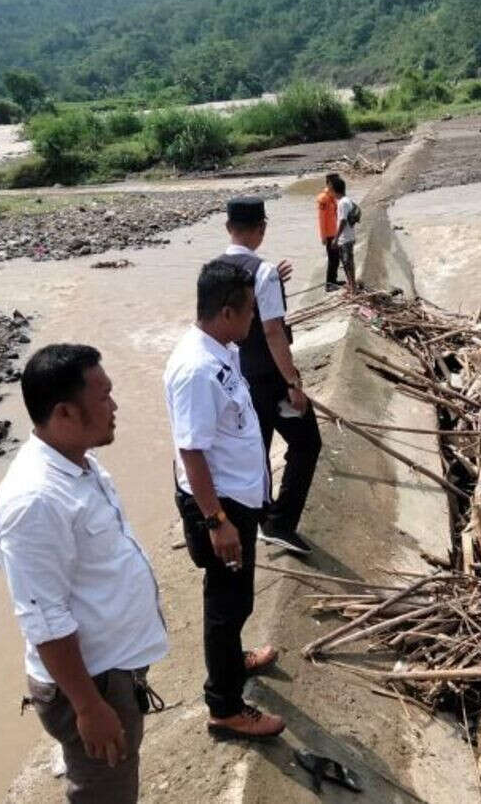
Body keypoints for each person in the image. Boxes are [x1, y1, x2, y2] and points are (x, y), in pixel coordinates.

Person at [0, 344, 168, 804]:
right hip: (92, 686)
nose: (115, 406)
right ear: (66, 413)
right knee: (104, 794)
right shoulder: (34, 500)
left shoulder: (78, 463)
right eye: (104, 397)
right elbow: (43, 617)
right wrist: (89, 706)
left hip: (112, 672)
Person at [164, 259, 286, 741]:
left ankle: (235, 662)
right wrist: (217, 521)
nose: (256, 319)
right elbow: (190, 451)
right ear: (227, 312)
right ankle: (226, 707)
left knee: (236, 600)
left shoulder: (221, 350)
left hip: (235, 500)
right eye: (251, 311)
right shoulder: (196, 368)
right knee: (225, 602)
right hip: (220, 507)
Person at [217, 195, 320, 556]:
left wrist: (273, 277)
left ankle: (257, 517)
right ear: (261, 229)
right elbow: (274, 331)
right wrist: (293, 383)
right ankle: (278, 523)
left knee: (255, 448)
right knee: (307, 442)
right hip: (268, 377)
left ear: (228, 228)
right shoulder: (263, 273)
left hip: (234, 376)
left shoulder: (215, 270)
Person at [331, 174, 358, 296]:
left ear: (335, 190)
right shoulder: (348, 200)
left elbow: (342, 221)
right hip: (348, 236)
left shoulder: (342, 203)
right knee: (347, 262)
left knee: (348, 263)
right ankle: (351, 285)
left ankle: (353, 288)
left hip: (345, 238)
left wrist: (336, 238)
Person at [318, 173, 341, 291]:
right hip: (329, 234)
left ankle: (334, 280)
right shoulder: (324, 198)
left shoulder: (332, 197)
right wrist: (323, 236)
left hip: (335, 232)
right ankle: (329, 284)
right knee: (333, 259)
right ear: (330, 183)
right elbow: (321, 219)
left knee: (336, 258)